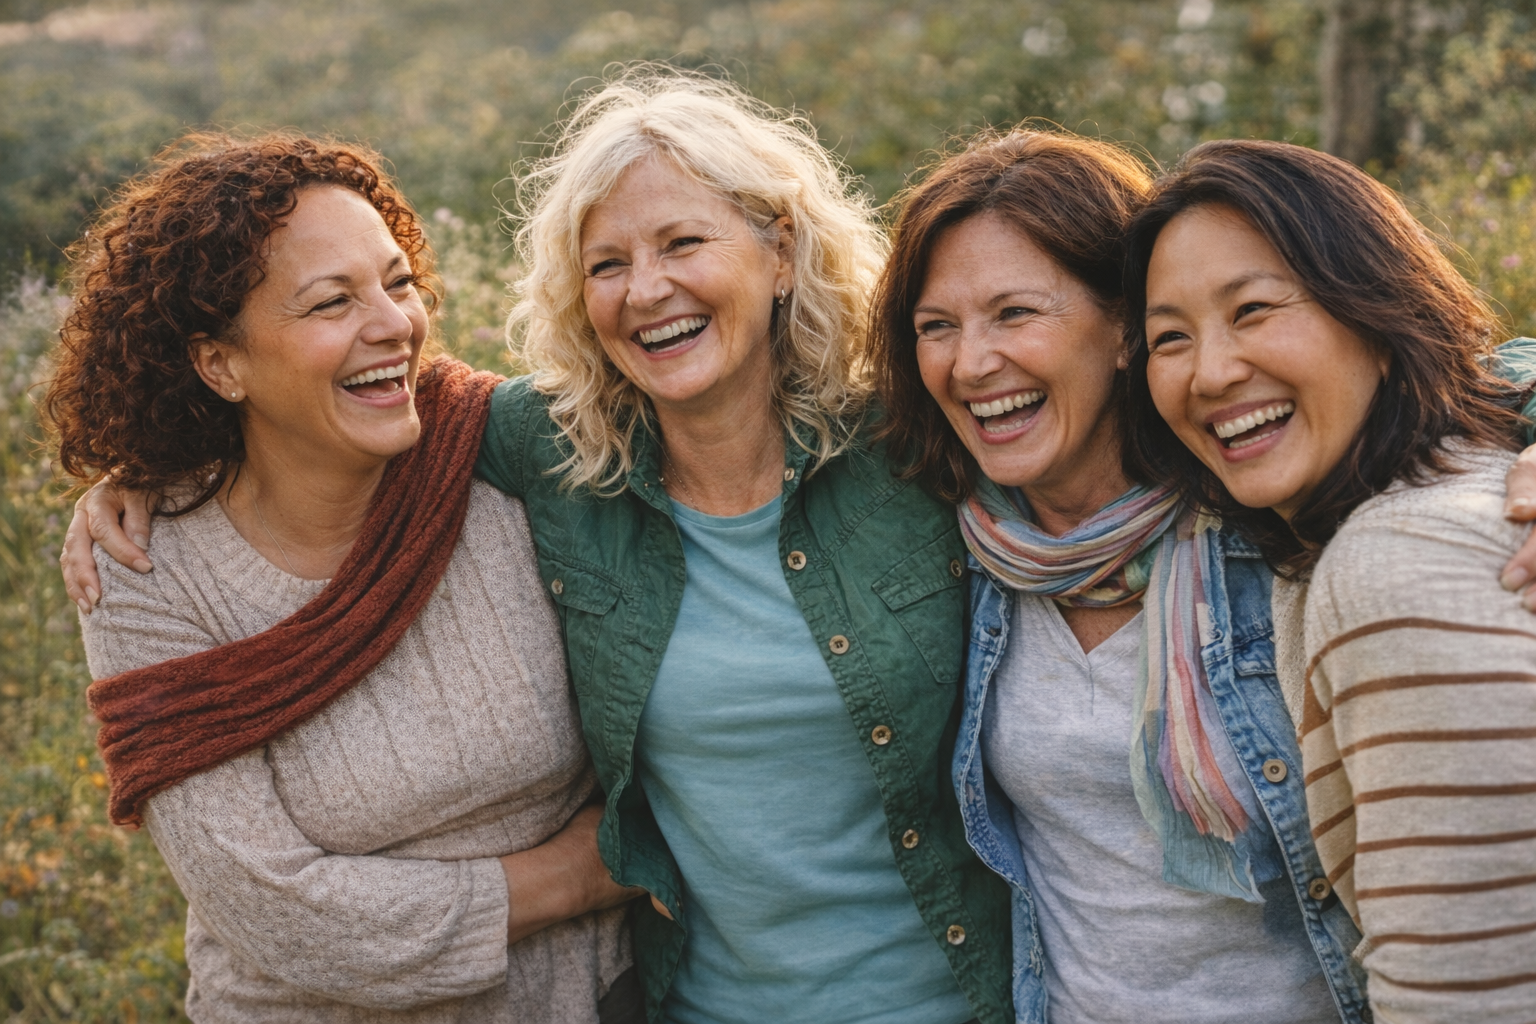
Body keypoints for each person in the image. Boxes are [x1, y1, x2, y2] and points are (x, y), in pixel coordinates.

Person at [62, 76, 1013, 1024]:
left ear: (781, 252)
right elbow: (276, 912)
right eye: (607, 264)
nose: (648, 290)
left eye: (684, 242)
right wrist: (145, 475)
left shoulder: (915, 446)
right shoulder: (551, 461)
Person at [46, 133, 640, 1023]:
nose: (396, 325)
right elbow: (282, 919)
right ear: (221, 364)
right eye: (332, 303)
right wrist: (584, 873)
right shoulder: (147, 569)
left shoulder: (499, 464)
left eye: (397, 283)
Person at [870, 129, 1373, 1024]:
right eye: (935, 327)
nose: (971, 362)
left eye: (1014, 314)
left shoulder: (1273, 514)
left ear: (1125, 330)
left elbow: (1448, 375)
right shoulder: (962, 547)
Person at [1126, 139, 1536, 1023]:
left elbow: (1471, 993)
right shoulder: (1476, 482)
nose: (1211, 371)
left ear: (1377, 310)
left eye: (1255, 309)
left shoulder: (1389, 566)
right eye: (1170, 338)